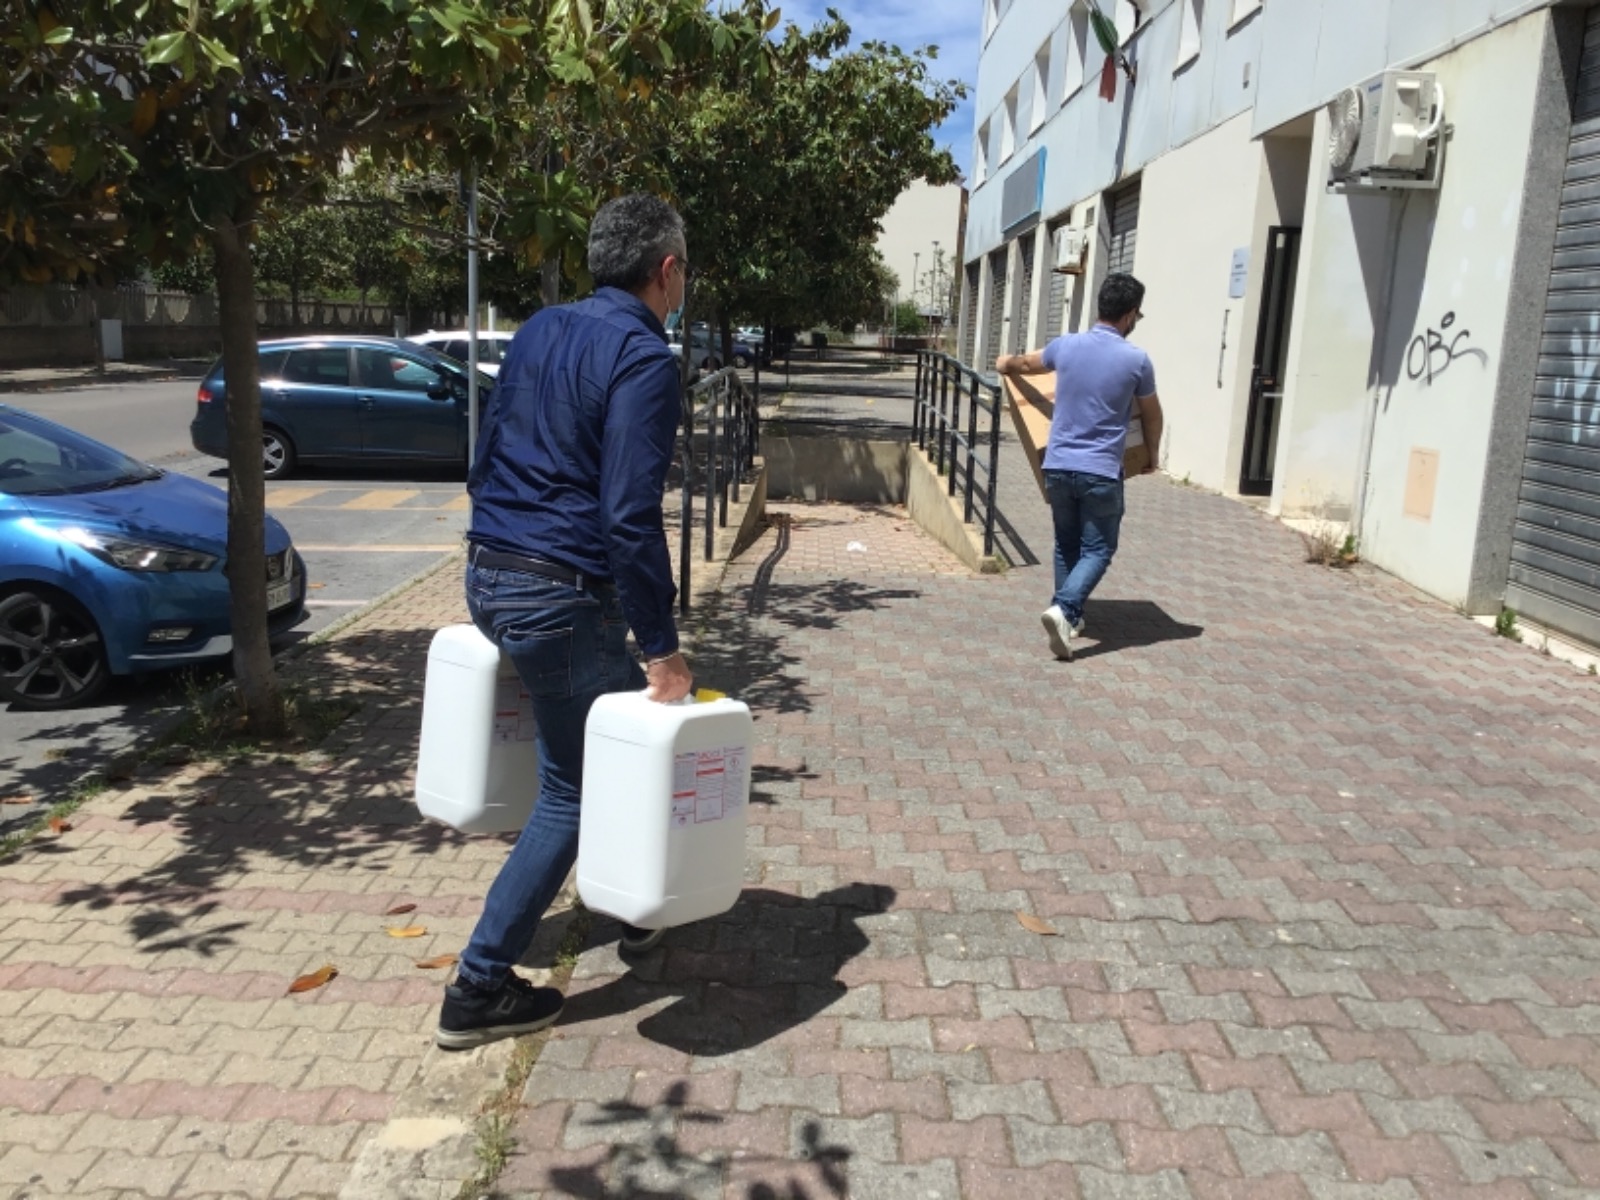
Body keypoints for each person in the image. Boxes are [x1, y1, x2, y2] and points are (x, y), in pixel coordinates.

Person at [436, 194, 695, 1050]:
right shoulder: (644, 357)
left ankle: (638, 911)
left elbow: (484, 458)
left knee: (601, 756)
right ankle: (478, 985)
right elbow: (629, 513)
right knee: (577, 788)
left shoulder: (540, 329)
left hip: (490, 571)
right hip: (561, 594)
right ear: (666, 272)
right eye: (683, 274)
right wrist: (662, 647)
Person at [996, 272, 1164, 662]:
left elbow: (1024, 363)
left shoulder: (1065, 346)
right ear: (1130, 314)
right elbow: (1152, 414)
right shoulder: (1137, 360)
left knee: (1066, 544)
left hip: (1056, 466)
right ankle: (1065, 609)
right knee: (1100, 548)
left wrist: (1004, 362)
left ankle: (1069, 621)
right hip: (1101, 470)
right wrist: (1152, 455)